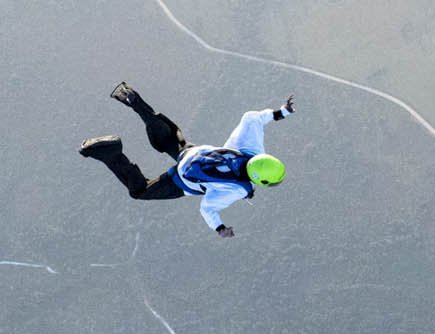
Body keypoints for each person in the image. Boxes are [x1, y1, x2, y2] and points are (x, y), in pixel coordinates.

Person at [78, 83, 294, 237]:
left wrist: (280, 113)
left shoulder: (251, 151)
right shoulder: (237, 189)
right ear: (261, 180)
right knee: (140, 191)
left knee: (167, 139)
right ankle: (111, 152)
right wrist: (220, 228)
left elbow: (251, 118)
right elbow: (207, 208)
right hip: (181, 180)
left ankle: (133, 99)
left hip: (192, 153)